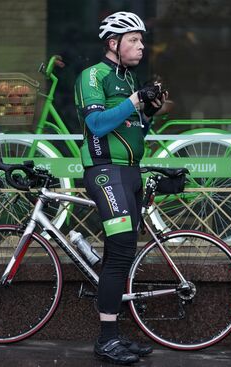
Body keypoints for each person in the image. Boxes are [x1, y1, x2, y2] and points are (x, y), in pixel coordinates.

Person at [74, 11, 168, 365]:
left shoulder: (129, 80)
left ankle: (114, 336)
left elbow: (133, 133)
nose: (141, 46)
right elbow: (97, 125)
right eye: (134, 40)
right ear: (113, 44)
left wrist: (149, 114)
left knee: (121, 256)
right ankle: (105, 341)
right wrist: (134, 102)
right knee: (122, 247)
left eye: (141, 40)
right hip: (104, 172)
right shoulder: (92, 76)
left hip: (130, 172)